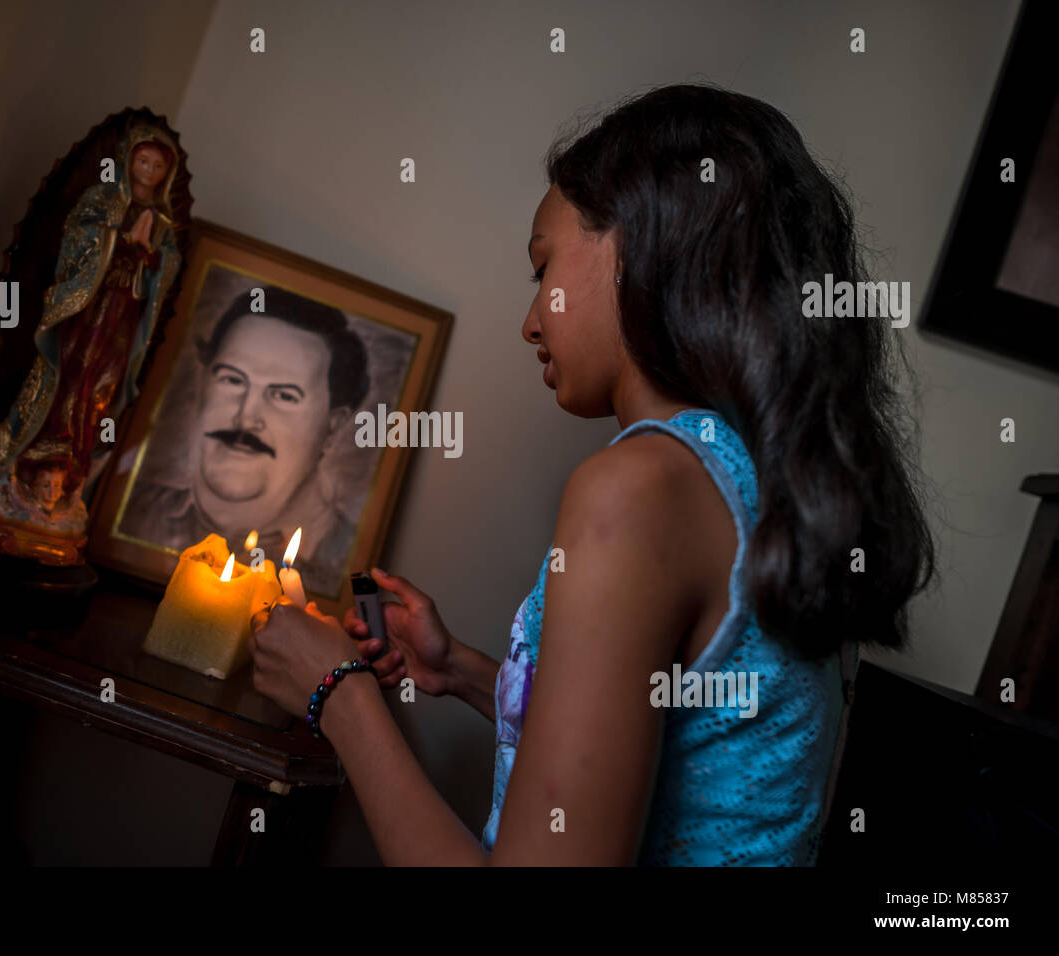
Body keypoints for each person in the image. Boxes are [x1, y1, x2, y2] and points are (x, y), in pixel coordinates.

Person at [248, 83, 937, 865]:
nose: (531, 319)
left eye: (543, 269)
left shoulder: (639, 488)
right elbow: (687, 741)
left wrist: (337, 695)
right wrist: (470, 673)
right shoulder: (771, 479)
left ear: (638, 247)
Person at [0, 125, 182, 562]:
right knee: (65, 376)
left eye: (158, 165)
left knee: (98, 390)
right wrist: (116, 242)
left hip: (121, 318)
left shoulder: (164, 225)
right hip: (85, 312)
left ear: (166, 173)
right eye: (142, 161)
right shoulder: (103, 199)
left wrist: (151, 259)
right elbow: (77, 237)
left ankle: (67, 471)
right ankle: (26, 457)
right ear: (129, 161)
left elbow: (163, 275)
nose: (148, 171)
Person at [119, 286, 369, 596]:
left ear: (332, 427)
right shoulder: (133, 513)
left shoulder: (349, 566)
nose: (245, 417)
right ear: (200, 390)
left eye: (284, 396)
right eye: (232, 379)